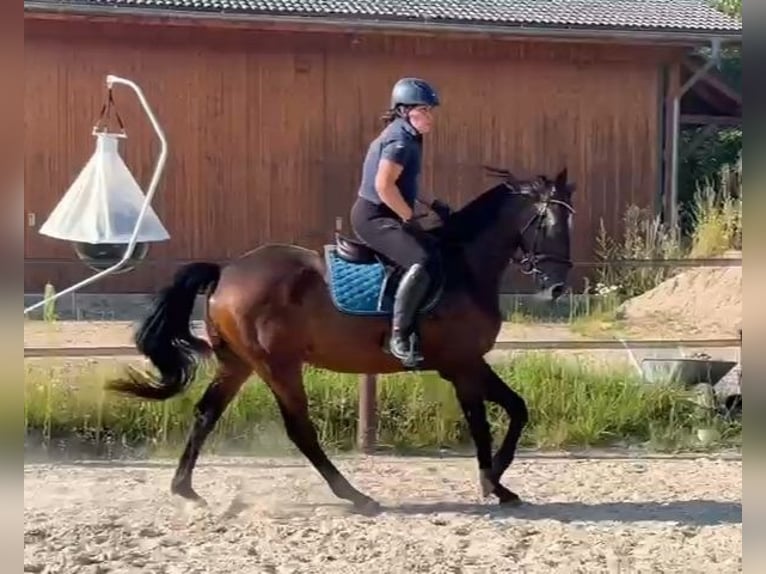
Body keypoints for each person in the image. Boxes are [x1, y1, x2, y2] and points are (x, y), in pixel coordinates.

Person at [350, 77, 453, 368]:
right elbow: (384, 186)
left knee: (436, 250)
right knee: (420, 260)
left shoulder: (410, 138)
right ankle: (399, 335)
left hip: (390, 211)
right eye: (425, 110)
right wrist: (409, 219)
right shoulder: (398, 140)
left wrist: (434, 203)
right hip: (374, 217)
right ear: (405, 110)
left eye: (431, 111)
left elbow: (406, 182)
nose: (431, 117)